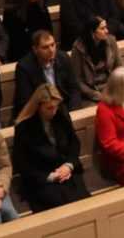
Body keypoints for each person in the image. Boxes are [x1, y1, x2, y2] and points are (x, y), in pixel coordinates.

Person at [12, 84, 90, 212]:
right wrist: (51, 176)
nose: (54, 111)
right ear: (38, 106)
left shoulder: (61, 115)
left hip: (66, 171)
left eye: (56, 107)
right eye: (49, 108)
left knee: (82, 203)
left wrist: (69, 165)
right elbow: (22, 163)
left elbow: (74, 144)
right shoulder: (24, 127)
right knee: (58, 206)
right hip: (42, 178)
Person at [12, 30, 81, 116]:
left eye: (53, 45)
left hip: (64, 109)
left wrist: (72, 111)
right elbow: (25, 101)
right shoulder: (24, 67)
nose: (51, 50)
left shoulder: (63, 58)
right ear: (35, 49)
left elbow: (74, 88)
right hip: (39, 114)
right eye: (45, 47)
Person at [71, 16, 123, 103]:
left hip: (110, 86)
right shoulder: (78, 47)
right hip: (90, 92)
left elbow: (119, 67)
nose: (107, 31)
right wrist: (95, 94)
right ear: (92, 32)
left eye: (106, 27)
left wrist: (116, 87)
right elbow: (77, 80)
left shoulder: (111, 41)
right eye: (102, 28)